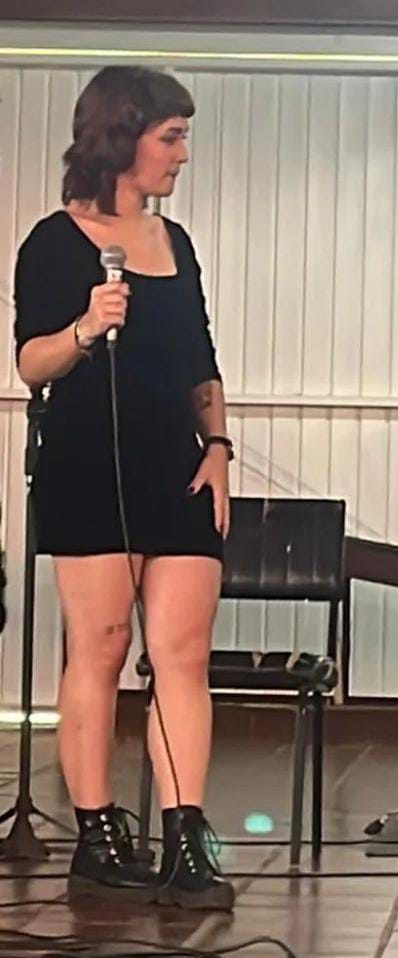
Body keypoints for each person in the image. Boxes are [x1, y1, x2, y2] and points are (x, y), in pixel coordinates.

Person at [14, 66, 234, 910]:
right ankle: (98, 834)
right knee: (101, 645)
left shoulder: (176, 243)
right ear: (121, 136)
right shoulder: (53, 242)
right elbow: (31, 362)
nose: (181, 154)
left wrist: (218, 446)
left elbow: (200, 360)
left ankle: (186, 838)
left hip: (174, 465)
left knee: (181, 654)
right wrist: (85, 325)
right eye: (170, 138)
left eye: (183, 138)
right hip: (85, 462)